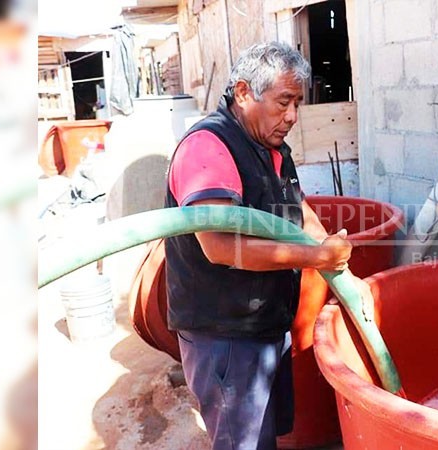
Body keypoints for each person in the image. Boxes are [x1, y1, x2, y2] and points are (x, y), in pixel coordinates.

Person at [163, 42, 371, 449]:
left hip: (262, 327)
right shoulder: (208, 148)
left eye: (297, 103)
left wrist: (346, 274)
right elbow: (220, 244)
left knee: (261, 438)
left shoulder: (271, 148)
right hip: (223, 335)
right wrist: (315, 257)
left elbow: (299, 210)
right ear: (243, 93)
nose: (292, 116)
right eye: (283, 102)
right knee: (242, 443)